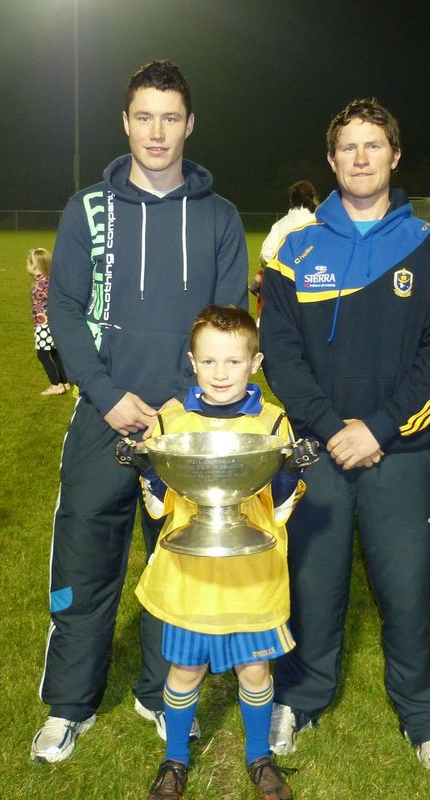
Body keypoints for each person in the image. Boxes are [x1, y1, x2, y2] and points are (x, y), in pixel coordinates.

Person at [31, 59, 248, 763]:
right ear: (125, 122)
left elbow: (228, 323)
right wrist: (105, 393)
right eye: (144, 116)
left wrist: (182, 405)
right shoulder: (86, 209)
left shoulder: (219, 217)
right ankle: (69, 705)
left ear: (190, 125)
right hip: (104, 417)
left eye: (170, 117)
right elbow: (64, 308)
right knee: (83, 566)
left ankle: (160, 695)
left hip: (185, 426)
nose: (157, 131)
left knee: (176, 567)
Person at [259, 98, 430, 773]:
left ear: (394, 156)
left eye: (372, 145)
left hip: (400, 452)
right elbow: (279, 353)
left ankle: (424, 716)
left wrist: (377, 428)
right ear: (331, 160)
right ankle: (298, 698)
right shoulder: (295, 248)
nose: (360, 157)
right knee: (310, 588)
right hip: (316, 452)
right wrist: (330, 427)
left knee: (408, 591)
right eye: (347, 147)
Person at [117, 305, 316, 800]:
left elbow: (278, 507)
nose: (220, 373)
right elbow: (161, 504)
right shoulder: (171, 419)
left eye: (233, 361)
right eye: (208, 361)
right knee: (186, 669)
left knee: (255, 669)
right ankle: (175, 759)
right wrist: (144, 466)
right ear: (192, 362)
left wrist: (290, 469)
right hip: (193, 576)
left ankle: (259, 756)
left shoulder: (272, 421)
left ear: (255, 362)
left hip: (252, 574)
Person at [253, 181, 321, 324]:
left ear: (291, 200)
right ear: (312, 198)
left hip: (284, 289)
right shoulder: (321, 223)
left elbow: (265, 255)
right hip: (317, 288)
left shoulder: (280, 225)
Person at [26, 247, 69, 396]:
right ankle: (64, 381)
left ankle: (56, 385)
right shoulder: (47, 280)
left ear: (34, 265)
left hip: (44, 324)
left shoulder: (41, 284)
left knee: (43, 355)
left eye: (28, 262)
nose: (26, 265)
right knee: (54, 352)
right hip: (51, 323)